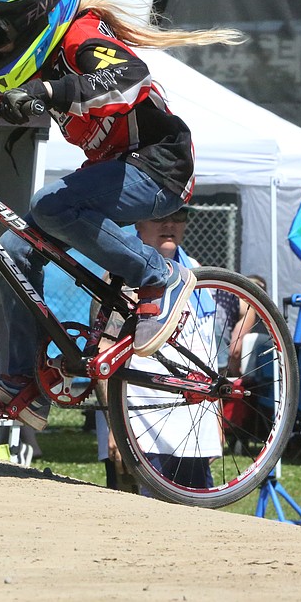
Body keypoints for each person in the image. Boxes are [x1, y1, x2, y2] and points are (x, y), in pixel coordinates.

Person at [0, 0, 245, 428]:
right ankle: (25, 382)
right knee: (18, 248)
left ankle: (163, 278)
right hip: (114, 168)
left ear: (37, 11)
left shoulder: (82, 36)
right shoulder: (34, 58)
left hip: (159, 166)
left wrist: (50, 93)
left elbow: (129, 77)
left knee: (50, 203)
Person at [94, 208, 220, 490]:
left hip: (192, 426)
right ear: (138, 222)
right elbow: (104, 351)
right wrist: (115, 426)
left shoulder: (197, 272)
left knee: (196, 521)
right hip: (139, 425)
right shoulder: (122, 276)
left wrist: (215, 422)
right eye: (160, 215)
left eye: (179, 216)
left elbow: (205, 350)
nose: (170, 224)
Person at [224, 273, 268, 378]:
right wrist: (236, 375)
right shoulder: (247, 306)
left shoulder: (223, 297)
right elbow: (235, 351)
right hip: (221, 364)